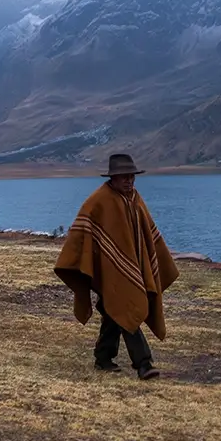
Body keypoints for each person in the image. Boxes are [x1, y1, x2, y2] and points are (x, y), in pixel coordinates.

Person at [54, 153, 179, 380]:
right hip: (104, 268)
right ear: (113, 177)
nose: (129, 181)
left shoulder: (134, 198)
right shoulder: (99, 200)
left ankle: (103, 357)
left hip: (128, 268)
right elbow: (82, 234)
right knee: (125, 305)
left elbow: (146, 234)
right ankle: (143, 363)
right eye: (124, 177)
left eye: (132, 176)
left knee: (113, 310)